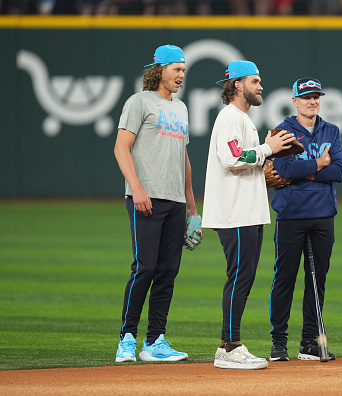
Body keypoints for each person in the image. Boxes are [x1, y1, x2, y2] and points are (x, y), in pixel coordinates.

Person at [202, 60, 296, 370]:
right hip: (235, 212)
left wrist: (273, 153)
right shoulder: (230, 117)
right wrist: (267, 149)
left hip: (248, 211)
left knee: (244, 277)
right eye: (255, 81)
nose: (261, 86)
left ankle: (227, 344)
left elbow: (247, 158)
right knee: (239, 277)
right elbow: (232, 158)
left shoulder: (242, 118)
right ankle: (230, 346)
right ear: (237, 85)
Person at [113, 44, 198, 363]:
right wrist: (136, 188)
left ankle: (155, 341)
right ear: (158, 69)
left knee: (167, 271)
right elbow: (121, 148)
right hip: (145, 198)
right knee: (144, 268)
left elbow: (184, 159)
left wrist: (192, 209)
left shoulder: (181, 108)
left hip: (176, 202)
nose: (181, 75)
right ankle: (127, 338)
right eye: (177, 69)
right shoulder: (138, 102)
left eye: (184, 71)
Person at [268, 77, 342, 362]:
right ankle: (278, 342)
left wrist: (309, 170)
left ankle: (309, 343)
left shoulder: (331, 131)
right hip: (291, 215)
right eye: (306, 97)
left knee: (317, 280)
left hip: (323, 215)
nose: (312, 101)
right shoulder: (284, 131)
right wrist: (320, 163)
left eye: (316, 96)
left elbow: (339, 171)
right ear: (295, 101)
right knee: (285, 278)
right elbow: (284, 170)